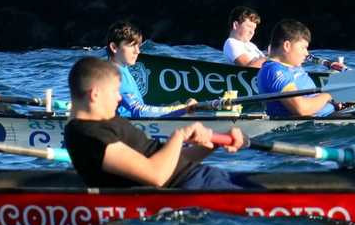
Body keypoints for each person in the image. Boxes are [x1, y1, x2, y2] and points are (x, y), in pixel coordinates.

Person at [62, 57, 258, 191]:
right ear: (94, 94)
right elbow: (156, 175)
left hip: (201, 177)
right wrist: (179, 135)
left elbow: (167, 162)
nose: (119, 98)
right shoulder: (88, 135)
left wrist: (213, 143)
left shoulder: (108, 122)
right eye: (115, 91)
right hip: (191, 186)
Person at [105, 20, 198, 117]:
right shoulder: (114, 74)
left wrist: (178, 107)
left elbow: (140, 109)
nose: (137, 51)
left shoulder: (121, 70)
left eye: (138, 46)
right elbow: (139, 111)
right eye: (132, 46)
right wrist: (183, 109)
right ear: (114, 47)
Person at [253, 19, 342, 118]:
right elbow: (302, 109)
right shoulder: (274, 71)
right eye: (303, 47)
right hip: (317, 124)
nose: (306, 53)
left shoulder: (292, 65)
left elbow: (312, 98)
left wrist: (333, 100)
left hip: (332, 112)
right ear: (287, 46)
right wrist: (329, 94)